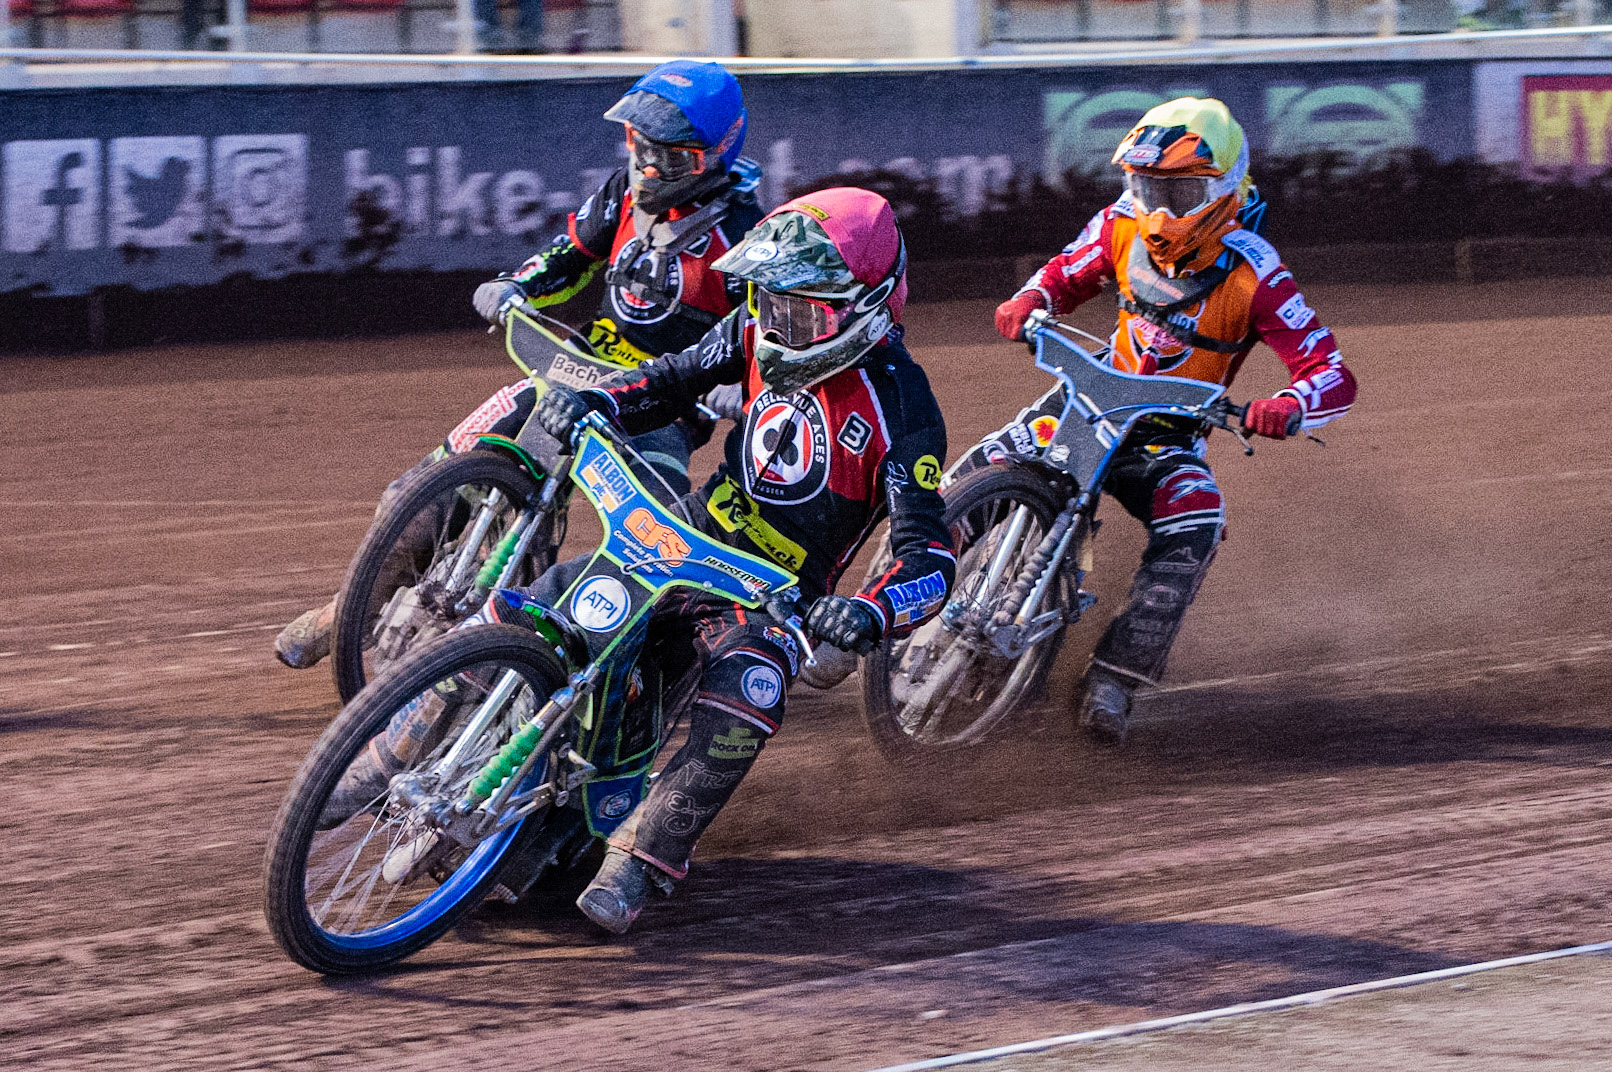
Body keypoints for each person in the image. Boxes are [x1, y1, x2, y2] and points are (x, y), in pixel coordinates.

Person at [520, 186, 955, 933]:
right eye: (770, 299)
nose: (777, 322)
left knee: (750, 691)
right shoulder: (755, 326)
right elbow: (670, 379)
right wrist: (601, 401)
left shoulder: (905, 409)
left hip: (773, 595)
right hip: (688, 533)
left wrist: (867, 612)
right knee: (548, 599)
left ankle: (640, 858)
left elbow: (932, 559)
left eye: (802, 311)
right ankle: (396, 745)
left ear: (868, 307)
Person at [275, 59, 762, 670]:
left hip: (663, 408)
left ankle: (655, 667)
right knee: (421, 487)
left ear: (712, 156)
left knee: (660, 546)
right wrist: (516, 285)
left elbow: (756, 341)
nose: (649, 170)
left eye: (671, 158)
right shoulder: (622, 193)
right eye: (642, 148)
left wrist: (735, 393)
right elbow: (569, 257)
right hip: (575, 371)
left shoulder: (747, 239)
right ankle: (346, 611)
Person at [992, 97, 1358, 747]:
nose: (1158, 210)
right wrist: (1031, 298)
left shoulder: (1257, 274)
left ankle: (1114, 677)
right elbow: (1063, 276)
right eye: (1146, 188)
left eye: (1180, 193)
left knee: (1198, 519)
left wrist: (1291, 406)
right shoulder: (1118, 224)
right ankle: (891, 605)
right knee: (977, 472)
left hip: (1165, 436)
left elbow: (1330, 370)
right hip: (1086, 403)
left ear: (1223, 191)